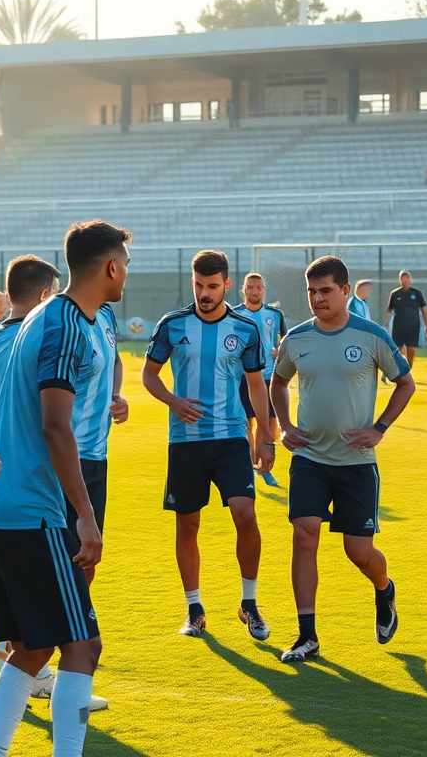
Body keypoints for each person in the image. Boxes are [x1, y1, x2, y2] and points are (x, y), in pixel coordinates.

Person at [0, 221, 130, 757]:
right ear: (110, 266)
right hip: (31, 513)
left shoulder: (50, 316)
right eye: (125, 262)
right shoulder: (65, 323)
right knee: (84, 647)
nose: (126, 271)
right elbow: (55, 425)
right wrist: (84, 515)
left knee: (36, 646)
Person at [271, 256, 416, 663]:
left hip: (356, 462)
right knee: (304, 534)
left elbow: (405, 383)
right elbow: (277, 382)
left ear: (345, 291)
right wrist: (283, 425)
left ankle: (384, 590)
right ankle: (307, 636)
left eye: (325, 291)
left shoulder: (371, 335)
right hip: (310, 459)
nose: (317, 298)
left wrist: (381, 427)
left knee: (359, 553)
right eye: (311, 292)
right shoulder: (296, 339)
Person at [143, 250, 275, 641]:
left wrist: (264, 437)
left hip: (231, 437)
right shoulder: (173, 324)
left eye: (212, 286)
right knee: (188, 524)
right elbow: (149, 375)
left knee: (245, 514)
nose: (204, 293)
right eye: (198, 285)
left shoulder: (246, 329)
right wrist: (173, 401)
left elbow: (256, 384)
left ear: (227, 285)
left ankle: (249, 603)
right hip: (185, 441)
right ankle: (194, 608)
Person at [0, 255, 68, 704]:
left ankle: (17, 706)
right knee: (77, 640)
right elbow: (56, 424)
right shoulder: (41, 340)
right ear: (48, 295)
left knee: (23, 640)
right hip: (30, 504)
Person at [234, 272, 288, 487]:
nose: (254, 291)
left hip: (269, 377)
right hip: (243, 377)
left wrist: (279, 350)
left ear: (263, 289)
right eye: (250, 287)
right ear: (243, 289)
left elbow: (285, 339)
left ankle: (264, 467)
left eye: (258, 287)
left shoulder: (275, 314)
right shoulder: (234, 314)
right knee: (246, 425)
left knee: (271, 428)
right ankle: (250, 469)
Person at [384, 271, 427, 366]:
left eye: (407, 278)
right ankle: (389, 368)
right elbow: (389, 310)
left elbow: (424, 309)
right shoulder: (395, 294)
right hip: (398, 326)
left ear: (410, 280)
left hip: (413, 325)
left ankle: (409, 367)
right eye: (403, 278)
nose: (405, 280)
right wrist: (385, 324)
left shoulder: (417, 293)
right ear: (400, 280)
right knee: (396, 348)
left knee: (411, 348)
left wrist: (426, 325)